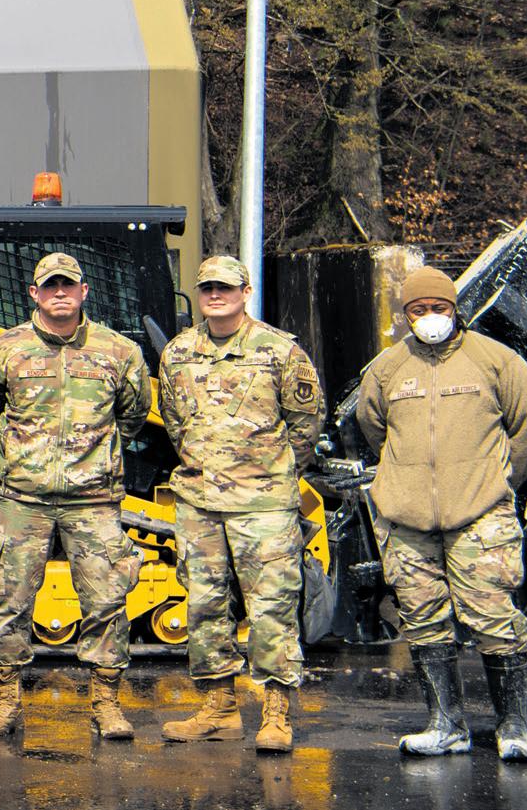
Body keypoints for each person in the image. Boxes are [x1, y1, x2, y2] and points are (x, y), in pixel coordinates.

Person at [356, 266, 527, 762]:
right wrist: (405, 478)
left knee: (493, 618)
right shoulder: (385, 369)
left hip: (481, 514)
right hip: (406, 518)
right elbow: (373, 427)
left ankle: (513, 727)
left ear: (454, 308)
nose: (429, 318)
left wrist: (501, 479)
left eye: (438, 308)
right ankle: (446, 726)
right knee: (421, 620)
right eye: (418, 311)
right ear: (405, 315)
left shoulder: (496, 361)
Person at [156, 255, 325, 753]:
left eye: (225, 288)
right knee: (205, 605)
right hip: (199, 499)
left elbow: (306, 422)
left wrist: (269, 470)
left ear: (245, 291)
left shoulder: (279, 351)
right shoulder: (179, 352)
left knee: (270, 605)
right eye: (207, 287)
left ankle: (275, 713)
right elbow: (173, 418)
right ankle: (219, 708)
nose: (215, 295)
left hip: (264, 503)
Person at [0, 251, 149, 740]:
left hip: (93, 499)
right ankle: (7, 701)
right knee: (10, 602)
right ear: (33, 293)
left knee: (107, 601)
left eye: (68, 285)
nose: (59, 293)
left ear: (83, 292)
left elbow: (133, 416)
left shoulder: (118, 352)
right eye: (49, 285)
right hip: (22, 499)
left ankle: (105, 703)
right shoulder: (4, 351)